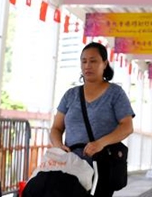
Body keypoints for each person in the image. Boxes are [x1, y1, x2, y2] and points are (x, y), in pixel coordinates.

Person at [50, 43, 134, 197]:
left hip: (102, 167)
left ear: (105, 63)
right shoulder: (70, 95)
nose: (87, 65)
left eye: (93, 61)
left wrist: (100, 143)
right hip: (71, 167)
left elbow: (127, 127)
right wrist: (58, 146)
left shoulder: (115, 93)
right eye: (84, 61)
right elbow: (56, 128)